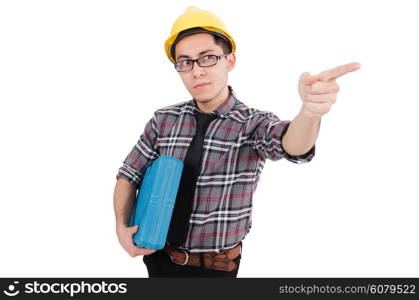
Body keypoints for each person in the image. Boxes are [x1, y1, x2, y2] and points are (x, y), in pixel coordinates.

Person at [113, 6, 361, 278]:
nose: (197, 71)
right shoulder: (164, 120)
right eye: (185, 62)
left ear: (229, 61)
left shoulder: (253, 123)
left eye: (207, 58)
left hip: (215, 271)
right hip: (157, 258)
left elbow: (292, 145)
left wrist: (309, 113)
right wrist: (121, 227)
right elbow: (128, 174)